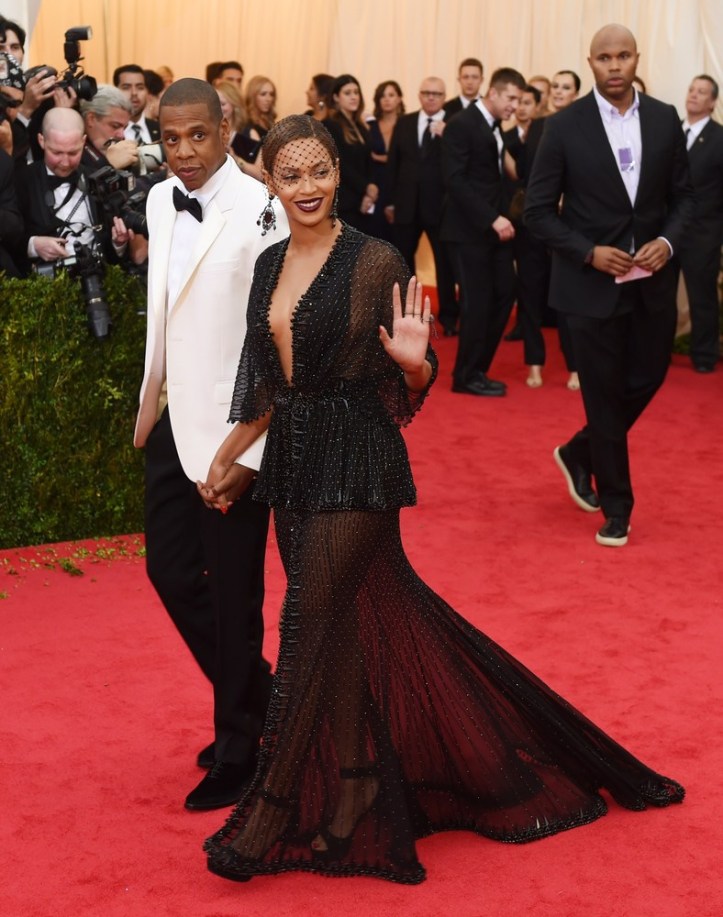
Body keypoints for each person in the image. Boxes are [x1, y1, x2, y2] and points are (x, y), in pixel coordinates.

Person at [199, 114, 684, 885]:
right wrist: (229, 459)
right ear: (269, 178)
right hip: (293, 464)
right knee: (347, 628)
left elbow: (403, 388)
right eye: (290, 175)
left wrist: (418, 365)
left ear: (338, 170)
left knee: (306, 619)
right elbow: (265, 385)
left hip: (359, 459)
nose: (307, 187)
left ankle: (270, 803)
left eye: (319, 170)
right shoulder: (266, 266)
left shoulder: (374, 258)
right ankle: (355, 785)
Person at [133, 78, 288, 810]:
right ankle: (262, 699)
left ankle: (238, 749)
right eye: (171, 138)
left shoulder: (263, 209)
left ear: (225, 128)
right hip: (174, 418)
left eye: (198, 135)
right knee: (167, 571)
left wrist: (247, 450)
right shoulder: (162, 199)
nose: (184, 152)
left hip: (237, 426)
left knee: (234, 598)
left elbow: (275, 339)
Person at [525, 24, 694, 547]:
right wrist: (587, 252)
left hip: (652, 285)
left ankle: (579, 451)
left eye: (623, 56)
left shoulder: (666, 119)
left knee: (648, 376)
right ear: (591, 62)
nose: (614, 65)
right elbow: (536, 211)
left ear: (637, 59)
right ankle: (617, 505)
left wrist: (666, 242)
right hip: (588, 286)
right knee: (602, 394)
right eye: (604, 57)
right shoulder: (564, 126)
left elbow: (686, 199)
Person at [441, 67, 526, 396]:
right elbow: (455, 181)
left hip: (495, 230)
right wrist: (492, 218)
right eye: (511, 98)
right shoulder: (462, 125)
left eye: (518, 100)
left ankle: (478, 368)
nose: (515, 106)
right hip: (467, 231)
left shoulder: (497, 128)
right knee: (476, 304)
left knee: (506, 293)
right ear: (493, 93)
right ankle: (465, 376)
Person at [14, 107, 142, 274]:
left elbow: (113, 257)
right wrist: (34, 245)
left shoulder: (98, 178)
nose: (65, 162)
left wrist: (119, 243)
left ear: (83, 142)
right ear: (41, 141)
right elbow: (9, 241)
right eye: (57, 152)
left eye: (73, 152)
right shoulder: (22, 180)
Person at [386, 76, 458, 334]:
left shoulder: (454, 125)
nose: (430, 97)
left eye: (436, 94)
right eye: (426, 92)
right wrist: (390, 201)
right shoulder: (404, 123)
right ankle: (408, 314)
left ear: (444, 97)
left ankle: (449, 318)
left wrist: (448, 134)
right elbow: (393, 162)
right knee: (403, 263)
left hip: (440, 208)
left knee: (445, 266)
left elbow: (460, 163)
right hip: (406, 206)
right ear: (419, 95)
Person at [678, 74, 723, 373]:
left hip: (704, 232)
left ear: (712, 102)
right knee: (657, 295)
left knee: (702, 296)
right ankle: (655, 352)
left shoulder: (720, 138)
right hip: (665, 231)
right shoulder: (671, 132)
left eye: (702, 92)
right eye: (691, 89)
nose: (694, 95)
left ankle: (705, 355)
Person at [324, 74, 378, 232]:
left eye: (356, 92)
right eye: (347, 93)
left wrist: (370, 191)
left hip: (362, 201)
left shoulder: (360, 125)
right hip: (344, 202)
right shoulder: (330, 125)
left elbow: (369, 160)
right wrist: (365, 188)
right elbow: (340, 164)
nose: (354, 97)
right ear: (335, 97)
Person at [367, 79, 404, 242]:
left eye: (391, 95)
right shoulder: (370, 125)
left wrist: (379, 157)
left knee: (400, 239)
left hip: (400, 185)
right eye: (383, 96)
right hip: (376, 185)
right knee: (375, 236)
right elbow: (364, 156)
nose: (387, 99)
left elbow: (409, 157)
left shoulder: (408, 124)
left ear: (399, 99)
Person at [113, 64, 161, 143]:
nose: (134, 93)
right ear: (115, 91)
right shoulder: (108, 132)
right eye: (126, 87)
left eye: (140, 87)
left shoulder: (160, 129)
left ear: (147, 92)